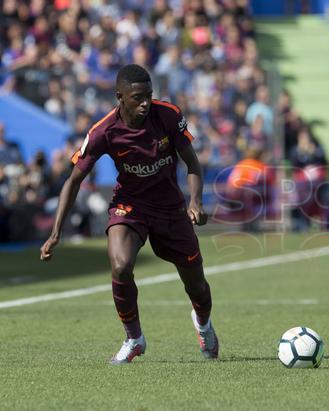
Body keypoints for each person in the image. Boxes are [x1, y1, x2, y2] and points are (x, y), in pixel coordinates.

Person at [39, 64, 218, 364]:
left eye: (148, 95)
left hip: (170, 208)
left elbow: (193, 164)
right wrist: (56, 231)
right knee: (120, 265)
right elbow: (73, 181)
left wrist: (196, 202)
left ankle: (203, 324)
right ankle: (134, 338)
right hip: (130, 204)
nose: (146, 102)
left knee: (196, 285)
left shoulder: (169, 116)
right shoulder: (103, 131)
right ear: (120, 97)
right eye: (138, 97)